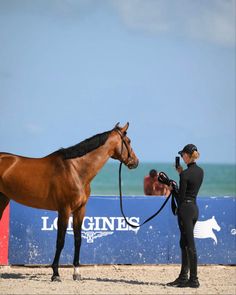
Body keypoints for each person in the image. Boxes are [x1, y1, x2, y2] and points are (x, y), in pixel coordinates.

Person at [167, 144, 204, 288]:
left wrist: (172, 189)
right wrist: (182, 173)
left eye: (183, 155)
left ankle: (193, 279)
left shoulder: (185, 174)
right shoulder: (200, 172)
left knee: (189, 245)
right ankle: (183, 277)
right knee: (184, 243)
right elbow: (190, 189)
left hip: (185, 210)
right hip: (194, 208)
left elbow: (180, 198)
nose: (182, 157)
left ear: (187, 156)